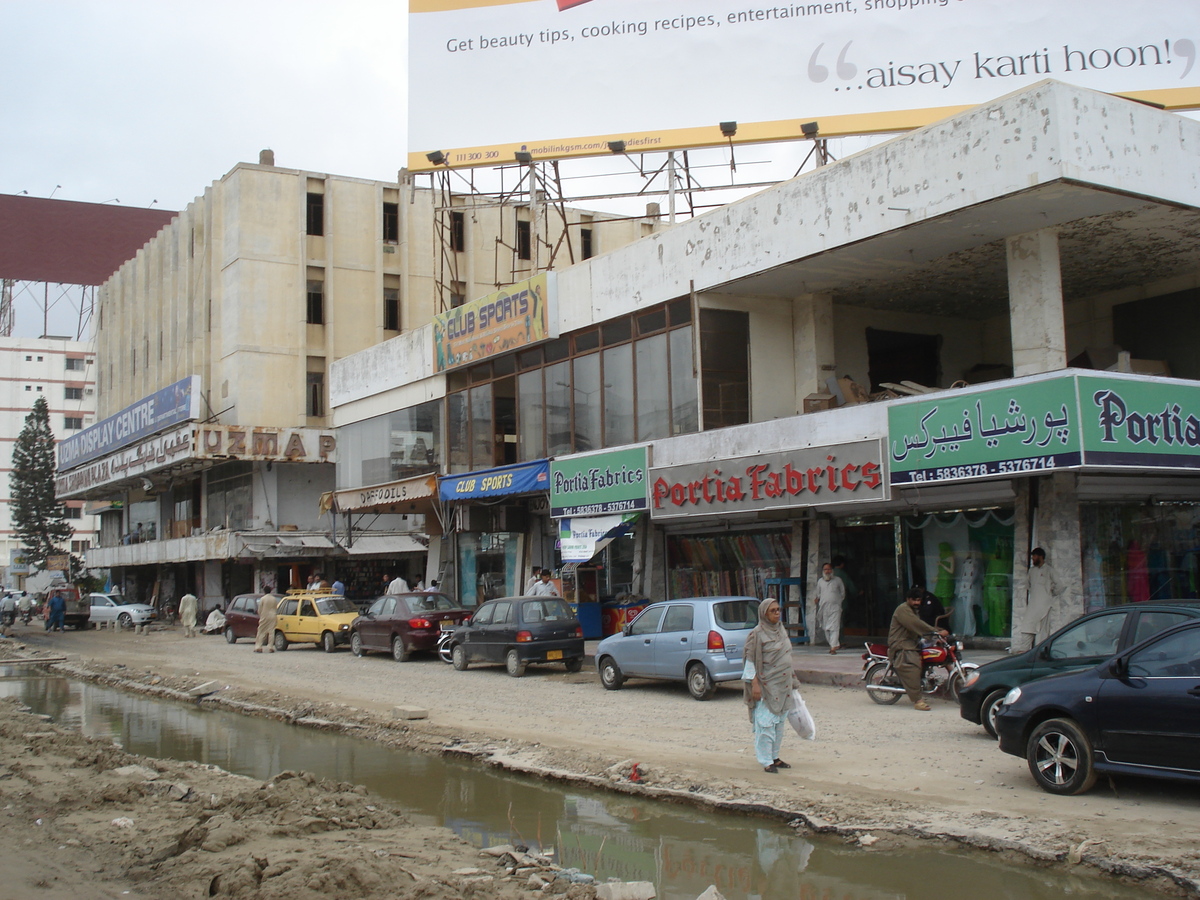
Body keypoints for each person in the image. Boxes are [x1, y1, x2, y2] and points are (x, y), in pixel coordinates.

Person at [743, 598, 801, 773]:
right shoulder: (757, 634)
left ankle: (774, 757)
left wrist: (793, 679)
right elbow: (750, 660)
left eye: (778, 609)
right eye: (773, 611)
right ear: (764, 614)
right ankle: (765, 760)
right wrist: (755, 684)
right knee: (766, 724)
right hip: (766, 686)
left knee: (779, 724)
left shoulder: (780, 630)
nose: (777, 613)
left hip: (783, 685)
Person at [889, 586, 948, 711]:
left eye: (918, 600)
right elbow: (916, 624)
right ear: (908, 599)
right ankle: (918, 700)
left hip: (913, 641)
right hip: (902, 643)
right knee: (913, 665)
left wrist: (937, 633)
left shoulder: (914, 610)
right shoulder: (903, 610)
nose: (917, 603)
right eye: (914, 600)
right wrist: (935, 631)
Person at [1015, 547, 1061, 652]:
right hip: (1033, 605)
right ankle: (1024, 652)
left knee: (1042, 632)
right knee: (1027, 627)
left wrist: (1051, 593)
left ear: (1041, 557)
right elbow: (1027, 585)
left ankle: (1039, 653)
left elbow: (1060, 585)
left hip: (1045, 606)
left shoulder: (1049, 570)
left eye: (1034, 557)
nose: (1033, 559)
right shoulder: (1032, 571)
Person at [813, 562, 846, 654]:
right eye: (825, 569)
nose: (827, 571)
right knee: (826, 628)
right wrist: (817, 599)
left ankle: (833, 648)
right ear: (823, 571)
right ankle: (833, 644)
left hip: (835, 608)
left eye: (829, 569)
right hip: (824, 608)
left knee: (835, 627)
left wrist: (837, 601)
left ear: (832, 570)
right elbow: (818, 594)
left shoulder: (838, 580)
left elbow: (842, 593)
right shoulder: (820, 581)